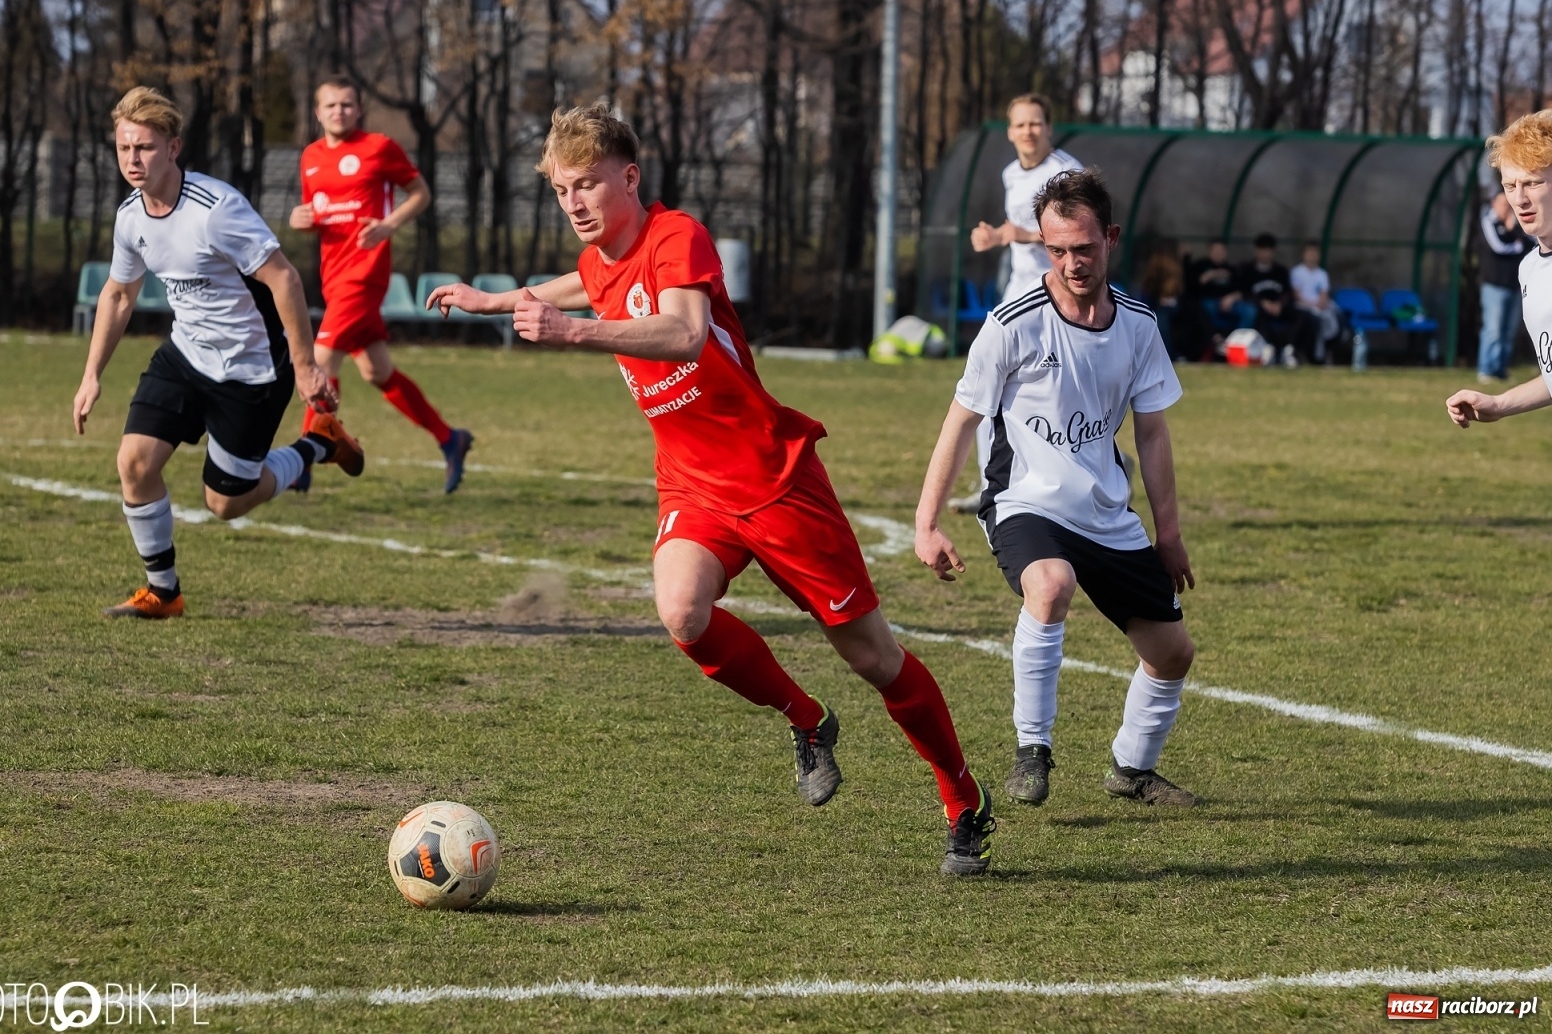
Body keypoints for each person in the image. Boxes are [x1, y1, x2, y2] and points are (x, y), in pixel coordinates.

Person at [426, 105, 997, 875]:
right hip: (692, 483)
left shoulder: (677, 235)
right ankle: (807, 719)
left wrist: (573, 332)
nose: (575, 203)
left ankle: (961, 795)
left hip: (774, 479)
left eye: (588, 184)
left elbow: (684, 329)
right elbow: (586, 281)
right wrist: (494, 299)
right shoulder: (600, 257)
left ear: (629, 177)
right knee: (682, 612)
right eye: (563, 190)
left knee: (874, 657)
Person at [915, 167, 1199, 811]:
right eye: (1058, 250)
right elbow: (961, 421)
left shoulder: (1138, 325)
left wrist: (1170, 534)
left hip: (1104, 510)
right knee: (1050, 584)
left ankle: (1132, 770)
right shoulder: (1012, 324)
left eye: (1085, 248)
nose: (1072, 262)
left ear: (1111, 239)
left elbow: (1152, 436)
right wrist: (926, 521)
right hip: (1025, 501)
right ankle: (1031, 751)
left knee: (1172, 653)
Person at [71, 87, 365, 619]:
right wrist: (92, 374)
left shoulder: (217, 209)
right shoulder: (130, 217)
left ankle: (318, 443)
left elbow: (285, 280)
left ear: (174, 147)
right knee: (134, 463)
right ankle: (164, 593)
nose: (133, 160)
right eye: (123, 149)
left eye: (145, 148)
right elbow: (118, 294)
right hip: (186, 357)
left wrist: (304, 366)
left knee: (226, 502)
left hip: (252, 370)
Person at [289, 75, 472, 494]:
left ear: (359, 109)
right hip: (333, 277)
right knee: (377, 370)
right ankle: (450, 439)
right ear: (318, 112)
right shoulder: (311, 157)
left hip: (365, 274)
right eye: (331, 105)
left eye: (348, 104)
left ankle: (302, 465)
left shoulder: (378, 148)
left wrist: (388, 225)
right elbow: (315, 211)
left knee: (319, 364)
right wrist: (303, 222)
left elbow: (420, 193)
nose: (340, 111)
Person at [955, 94, 1083, 513]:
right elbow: (1015, 230)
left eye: (1036, 124)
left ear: (1048, 128)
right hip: (1020, 293)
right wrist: (992, 237)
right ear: (1010, 132)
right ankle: (991, 484)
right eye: (1020, 125)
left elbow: (1079, 236)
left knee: (1061, 393)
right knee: (984, 379)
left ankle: (1111, 464)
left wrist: (1020, 234)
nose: (1028, 131)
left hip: (1062, 293)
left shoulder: (1066, 173)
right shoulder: (1012, 173)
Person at [1449, 111, 1552, 430]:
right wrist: (1500, 404)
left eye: (1533, 183)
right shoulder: (1530, 269)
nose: (1519, 199)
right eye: (1511, 185)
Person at [1475, 190, 1530, 383]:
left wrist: (1513, 229)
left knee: (1508, 331)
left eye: (1508, 204)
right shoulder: (1488, 223)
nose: (1506, 208)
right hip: (1494, 287)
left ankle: (1500, 370)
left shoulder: (1516, 225)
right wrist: (1516, 245)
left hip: (1514, 286)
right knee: (1493, 329)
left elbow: (1530, 245)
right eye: (1502, 203)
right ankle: (1486, 369)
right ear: (1494, 204)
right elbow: (1498, 247)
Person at [1190, 239, 1247, 349]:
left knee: (1249, 311)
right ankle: (1216, 339)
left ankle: (1238, 343)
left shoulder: (1232, 269)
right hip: (1208, 301)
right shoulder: (1200, 265)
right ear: (1209, 251)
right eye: (1215, 251)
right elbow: (1193, 288)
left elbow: (1241, 291)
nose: (1218, 254)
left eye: (1221, 251)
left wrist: (1231, 298)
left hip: (1229, 302)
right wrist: (1212, 274)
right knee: (1206, 307)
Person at [1289, 243, 1340, 364]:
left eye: (1315, 253)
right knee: (1313, 320)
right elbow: (1297, 296)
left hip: (1319, 307)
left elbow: (1324, 294)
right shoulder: (1297, 272)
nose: (1312, 256)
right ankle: (1308, 355)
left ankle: (1327, 353)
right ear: (1304, 254)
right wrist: (1312, 305)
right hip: (1302, 307)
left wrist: (1320, 304)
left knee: (1337, 320)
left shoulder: (1322, 274)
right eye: (1309, 253)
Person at [1250, 287, 1317, 368]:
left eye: (1269, 305)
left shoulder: (1292, 311)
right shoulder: (1263, 315)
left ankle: (1290, 353)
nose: (1268, 309)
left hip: (1292, 343)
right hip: (1270, 344)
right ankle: (1269, 353)